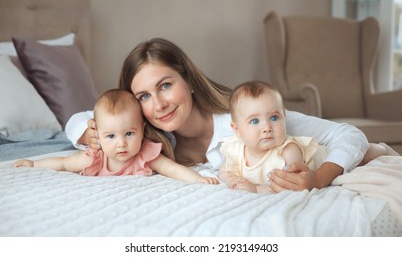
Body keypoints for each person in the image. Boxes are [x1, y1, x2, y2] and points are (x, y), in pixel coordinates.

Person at [65, 37, 371, 193]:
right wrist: (85, 131)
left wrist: (318, 178)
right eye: (144, 96)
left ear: (189, 80)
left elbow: (350, 134)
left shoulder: (249, 120)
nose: (158, 104)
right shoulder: (146, 142)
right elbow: (76, 120)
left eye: (166, 85)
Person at [218, 81, 399, 193]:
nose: (267, 128)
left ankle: (382, 148)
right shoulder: (234, 148)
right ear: (237, 130)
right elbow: (224, 171)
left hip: (327, 157)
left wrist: (256, 189)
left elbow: (292, 184)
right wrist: (231, 179)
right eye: (254, 121)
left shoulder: (288, 150)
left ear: (284, 118)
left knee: (365, 154)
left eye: (274, 118)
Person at [14, 89, 219, 185]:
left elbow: (172, 169)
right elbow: (64, 163)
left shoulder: (145, 154)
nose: (121, 143)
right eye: (110, 136)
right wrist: (34, 165)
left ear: (142, 129)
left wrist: (199, 179)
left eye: (129, 133)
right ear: (99, 135)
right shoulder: (95, 157)